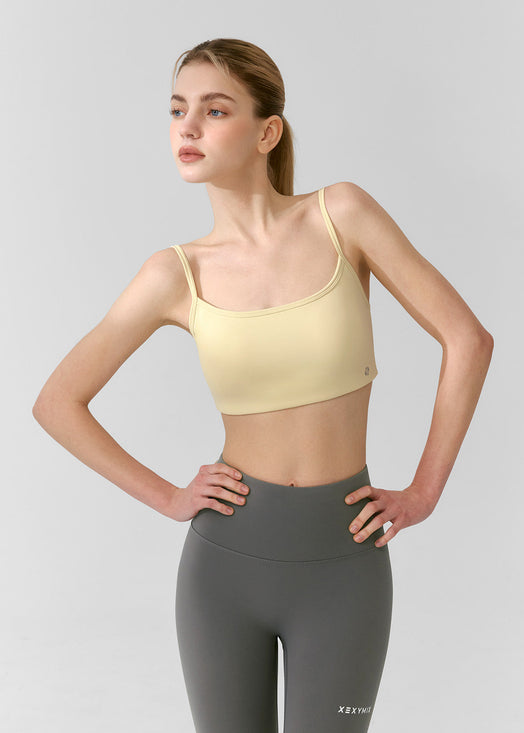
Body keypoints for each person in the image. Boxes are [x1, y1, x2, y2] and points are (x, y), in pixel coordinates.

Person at [32, 37, 494, 733]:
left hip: (344, 560)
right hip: (224, 564)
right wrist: (168, 497)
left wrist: (425, 490)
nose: (188, 127)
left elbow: (467, 339)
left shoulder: (341, 216)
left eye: (214, 110)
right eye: (177, 110)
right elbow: (57, 402)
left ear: (266, 132)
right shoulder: (174, 273)